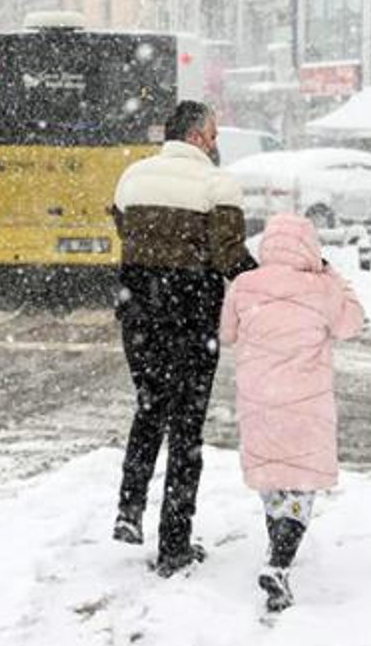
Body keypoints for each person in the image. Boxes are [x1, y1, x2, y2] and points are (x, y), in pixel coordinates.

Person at [110, 100, 258, 577]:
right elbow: (230, 255)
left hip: (138, 311)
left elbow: (124, 227)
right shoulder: (218, 185)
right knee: (187, 427)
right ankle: (174, 544)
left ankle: (129, 509)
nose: (216, 144)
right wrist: (272, 282)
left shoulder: (132, 177)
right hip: (191, 315)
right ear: (196, 137)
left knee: (150, 404)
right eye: (212, 135)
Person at [219, 213, 364, 612]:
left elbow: (226, 333)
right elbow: (353, 322)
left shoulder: (245, 285)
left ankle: (275, 545)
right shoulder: (321, 288)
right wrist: (334, 275)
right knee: (301, 483)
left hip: (259, 400)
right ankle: (279, 562)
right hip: (307, 404)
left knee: (272, 477)